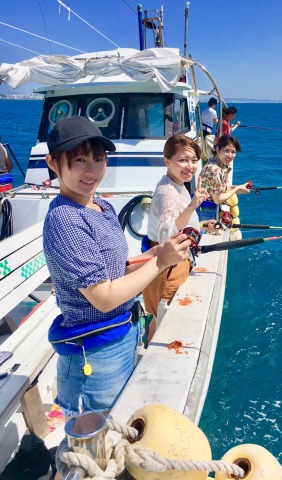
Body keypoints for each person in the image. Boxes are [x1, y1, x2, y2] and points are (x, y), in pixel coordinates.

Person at [43, 116, 191, 417]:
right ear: (53, 162)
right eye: (80, 160)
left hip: (123, 333)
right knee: (94, 450)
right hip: (94, 353)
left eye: (98, 159)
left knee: (119, 428)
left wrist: (157, 254)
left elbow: (116, 270)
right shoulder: (65, 219)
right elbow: (104, 296)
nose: (92, 170)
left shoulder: (102, 206)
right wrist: (161, 261)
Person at [142, 134, 216, 341]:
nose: (190, 166)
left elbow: (177, 220)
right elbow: (168, 235)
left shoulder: (176, 184)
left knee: (160, 317)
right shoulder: (167, 192)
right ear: (167, 161)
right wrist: (193, 205)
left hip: (171, 262)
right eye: (183, 160)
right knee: (165, 319)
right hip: (168, 266)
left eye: (194, 160)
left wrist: (200, 225)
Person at [200, 134, 251, 205]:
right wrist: (237, 189)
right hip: (207, 211)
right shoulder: (215, 170)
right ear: (218, 150)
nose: (230, 155)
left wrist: (235, 188)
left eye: (233, 152)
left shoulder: (213, 162)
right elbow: (218, 199)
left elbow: (216, 189)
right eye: (226, 150)